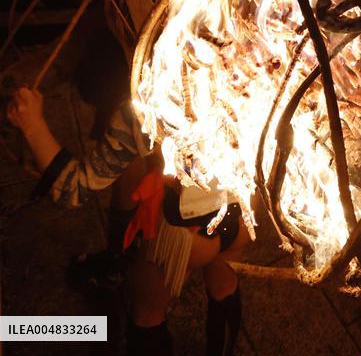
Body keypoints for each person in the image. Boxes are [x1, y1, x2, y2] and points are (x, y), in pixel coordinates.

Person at [7, 41, 249, 355]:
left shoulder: (142, 105)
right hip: (235, 219)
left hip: (183, 236)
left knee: (148, 313)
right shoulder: (241, 68)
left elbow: (75, 188)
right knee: (224, 284)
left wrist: (34, 127)